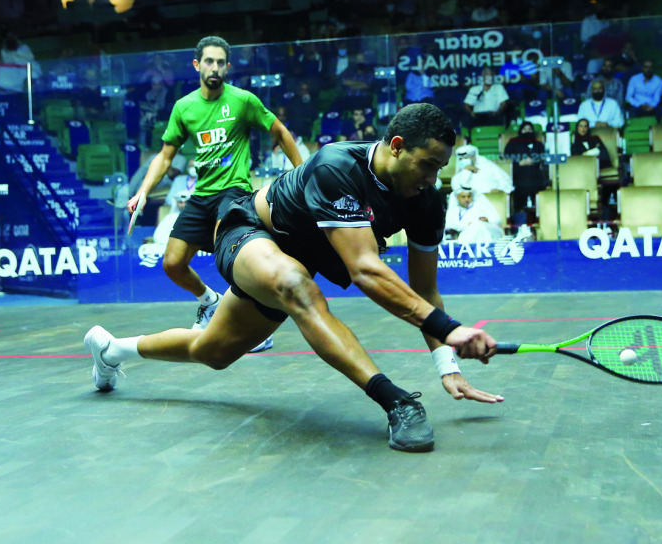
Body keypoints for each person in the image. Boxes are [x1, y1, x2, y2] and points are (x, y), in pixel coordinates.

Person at [85, 103, 503, 453]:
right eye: (427, 165)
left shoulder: (426, 201)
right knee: (298, 286)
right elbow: (364, 270)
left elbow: (424, 289)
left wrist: (446, 363)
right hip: (247, 231)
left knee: (212, 351)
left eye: (440, 168)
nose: (433, 179)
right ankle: (396, 402)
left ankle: (111, 350)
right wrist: (450, 330)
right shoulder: (339, 166)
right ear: (396, 148)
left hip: (291, 261)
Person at [126, 36, 304, 349]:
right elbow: (166, 155)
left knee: (233, 260)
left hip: (234, 192)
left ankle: (257, 330)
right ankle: (210, 302)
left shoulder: (243, 100)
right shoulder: (184, 107)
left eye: (221, 62)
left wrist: (303, 172)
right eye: (209, 61)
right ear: (197, 65)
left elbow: (279, 131)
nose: (215, 67)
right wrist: (142, 191)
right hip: (202, 195)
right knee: (172, 264)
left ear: (227, 67)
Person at [502, 121, 548, 217]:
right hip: (518, 173)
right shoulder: (513, 142)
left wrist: (534, 160)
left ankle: (538, 215)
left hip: (535, 174)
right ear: (521, 130)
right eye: (525, 129)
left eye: (529, 129)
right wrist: (519, 163)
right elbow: (506, 158)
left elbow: (543, 157)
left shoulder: (538, 144)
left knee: (534, 179)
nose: (527, 131)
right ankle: (520, 216)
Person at [449, 144, 514, 196]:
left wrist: (499, 190)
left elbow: (506, 181)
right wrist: (466, 172)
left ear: (474, 156)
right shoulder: (460, 173)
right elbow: (456, 188)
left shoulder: (488, 166)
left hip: (490, 198)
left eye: (466, 157)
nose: (463, 160)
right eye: (461, 159)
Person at [462, 66, 511, 131]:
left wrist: (497, 112)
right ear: (482, 77)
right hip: (478, 115)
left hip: (493, 114)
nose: (488, 77)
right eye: (486, 75)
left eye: (490, 75)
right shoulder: (474, 89)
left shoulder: (499, 88)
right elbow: (467, 104)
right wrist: (471, 113)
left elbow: (503, 103)